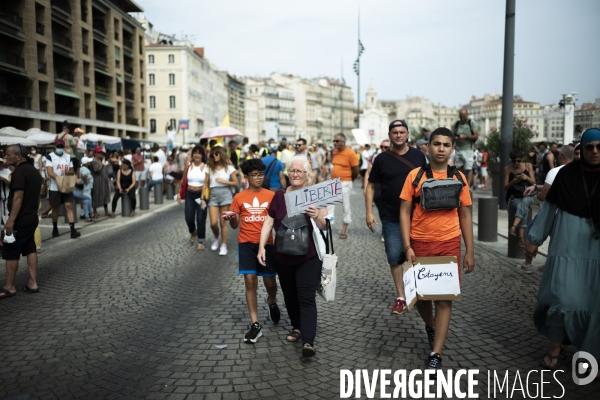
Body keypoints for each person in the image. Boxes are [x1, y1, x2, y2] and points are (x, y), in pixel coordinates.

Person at [399, 127, 475, 370]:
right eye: (437, 144)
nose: (441, 148)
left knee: (443, 299)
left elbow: (465, 215)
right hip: (419, 242)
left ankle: (436, 353)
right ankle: (430, 325)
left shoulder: (459, 178)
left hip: (449, 242)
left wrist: (469, 250)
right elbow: (404, 212)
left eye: (446, 144)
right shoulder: (414, 176)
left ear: (453, 148)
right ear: (428, 146)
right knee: (422, 296)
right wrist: (407, 245)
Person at [525, 128, 600, 374]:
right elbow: (549, 209)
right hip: (566, 245)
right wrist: (534, 238)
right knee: (562, 298)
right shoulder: (566, 175)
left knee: (594, 304)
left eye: (599, 147)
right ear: (582, 149)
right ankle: (555, 348)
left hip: (595, 250)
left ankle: (590, 355)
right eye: (590, 147)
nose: (595, 151)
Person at [257, 155, 328, 357]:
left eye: (299, 171)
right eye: (292, 170)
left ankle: (308, 341)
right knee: (289, 295)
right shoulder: (279, 196)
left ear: (307, 175)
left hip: (309, 256)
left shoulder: (316, 195)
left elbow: (326, 225)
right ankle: (296, 328)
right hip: (283, 256)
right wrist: (262, 246)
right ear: (288, 174)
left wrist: (317, 216)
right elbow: (269, 222)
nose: (295, 174)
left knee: (306, 297)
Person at [365, 120, 427, 315]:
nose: (398, 135)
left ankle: (415, 290)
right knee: (394, 257)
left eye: (402, 132)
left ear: (407, 134)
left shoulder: (419, 156)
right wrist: (368, 212)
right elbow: (371, 186)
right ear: (390, 135)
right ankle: (401, 296)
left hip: (418, 216)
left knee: (418, 255)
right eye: (395, 132)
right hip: (391, 216)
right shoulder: (381, 159)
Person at [223, 158, 280, 343]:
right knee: (250, 281)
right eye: (254, 175)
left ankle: (272, 301)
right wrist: (230, 218)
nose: (258, 178)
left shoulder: (271, 196)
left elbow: (277, 220)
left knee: (270, 282)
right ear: (246, 177)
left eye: (261, 174)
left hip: (268, 244)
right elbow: (234, 225)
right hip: (246, 244)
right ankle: (255, 324)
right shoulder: (239, 197)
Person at [1, 145, 42, 298]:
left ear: (18, 156)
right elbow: (37, 196)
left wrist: (11, 221)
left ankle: (10, 286)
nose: (6, 157)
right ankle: (32, 283)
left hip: (20, 220)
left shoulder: (19, 172)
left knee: (11, 251)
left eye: (8, 154)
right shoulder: (33, 171)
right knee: (30, 248)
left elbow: (18, 197)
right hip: (31, 218)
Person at [504, 149, 535, 272]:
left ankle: (514, 227)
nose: (516, 163)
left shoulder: (528, 166)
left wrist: (526, 177)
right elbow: (505, 187)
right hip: (515, 197)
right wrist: (513, 181)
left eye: (518, 161)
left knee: (526, 202)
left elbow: (534, 182)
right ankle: (520, 236)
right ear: (511, 160)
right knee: (522, 206)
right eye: (514, 161)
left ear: (522, 159)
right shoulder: (508, 169)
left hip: (528, 196)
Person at [203, 146, 238, 256]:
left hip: (225, 195)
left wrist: (223, 181)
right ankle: (217, 237)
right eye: (212, 154)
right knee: (213, 223)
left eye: (217, 154)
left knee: (223, 222)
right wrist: (202, 199)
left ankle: (223, 245)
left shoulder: (229, 168)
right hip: (213, 195)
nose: (214, 156)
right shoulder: (209, 168)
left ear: (221, 154)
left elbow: (235, 183)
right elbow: (205, 183)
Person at [46, 139, 80, 238]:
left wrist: (67, 172)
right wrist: (58, 178)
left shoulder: (68, 157)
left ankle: (73, 230)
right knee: (55, 208)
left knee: (69, 206)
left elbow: (72, 171)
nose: (60, 148)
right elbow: (49, 171)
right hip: (55, 187)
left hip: (66, 186)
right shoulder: (50, 157)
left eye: (61, 146)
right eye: (58, 146)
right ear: (55, 146)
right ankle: (55, 228)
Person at [177, 145, 209, 250]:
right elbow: (183, 181)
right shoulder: (188, 166)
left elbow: (206, 183)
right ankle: (193, 231)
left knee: (201, 218)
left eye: (199, 153)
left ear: (202, 155)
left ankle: (201, 240)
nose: (197, 155)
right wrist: (178, 193)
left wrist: (203, 198)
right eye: (195, 152)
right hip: (190, 194)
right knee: (188, 217)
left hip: (201, 195)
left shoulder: (206, 167)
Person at [331, 133, 360, 239]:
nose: (334, 143)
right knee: (329, 204)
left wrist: (349, 179)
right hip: (333, 182)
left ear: (343, 142)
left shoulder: (351, 153)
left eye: (337, 141)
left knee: (345, 205)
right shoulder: (334, 152)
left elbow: (356, 170)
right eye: (334, 141)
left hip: (345, 182)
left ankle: (344, 227)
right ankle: (328, 224)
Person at [451, 108, 479, 187]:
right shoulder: (457, 124)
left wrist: (465, 137)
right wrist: (455, 138)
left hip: (468, 149)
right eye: (461, 117)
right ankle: (462, 183)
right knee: (459, 167)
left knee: (468, 168)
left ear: (467, 115)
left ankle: (468, 185)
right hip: (458, 149)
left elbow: (476, 136)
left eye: (464, 117)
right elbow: (452, 135)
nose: (462, 119)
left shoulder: (471, 123)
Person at [91, 147, 111, 218]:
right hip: (97, 180)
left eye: (101, 153)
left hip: (104, 179)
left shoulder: (101, 160)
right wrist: (103, 165)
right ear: (95, 153)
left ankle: (106, 211)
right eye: (98, 153)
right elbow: (98, 170)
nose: (100, 154)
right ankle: (95, 211)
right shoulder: (93, 161)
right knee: (96, 195)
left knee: (105, 194)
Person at [72, 157, 93, 223]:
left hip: (76, 190)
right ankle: (91, 213)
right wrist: (85, 181)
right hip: (73, 191)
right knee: (89, 198)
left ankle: (87, 217)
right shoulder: (73, 172)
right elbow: (78, 182)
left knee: (86, 200)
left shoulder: (76, 171)